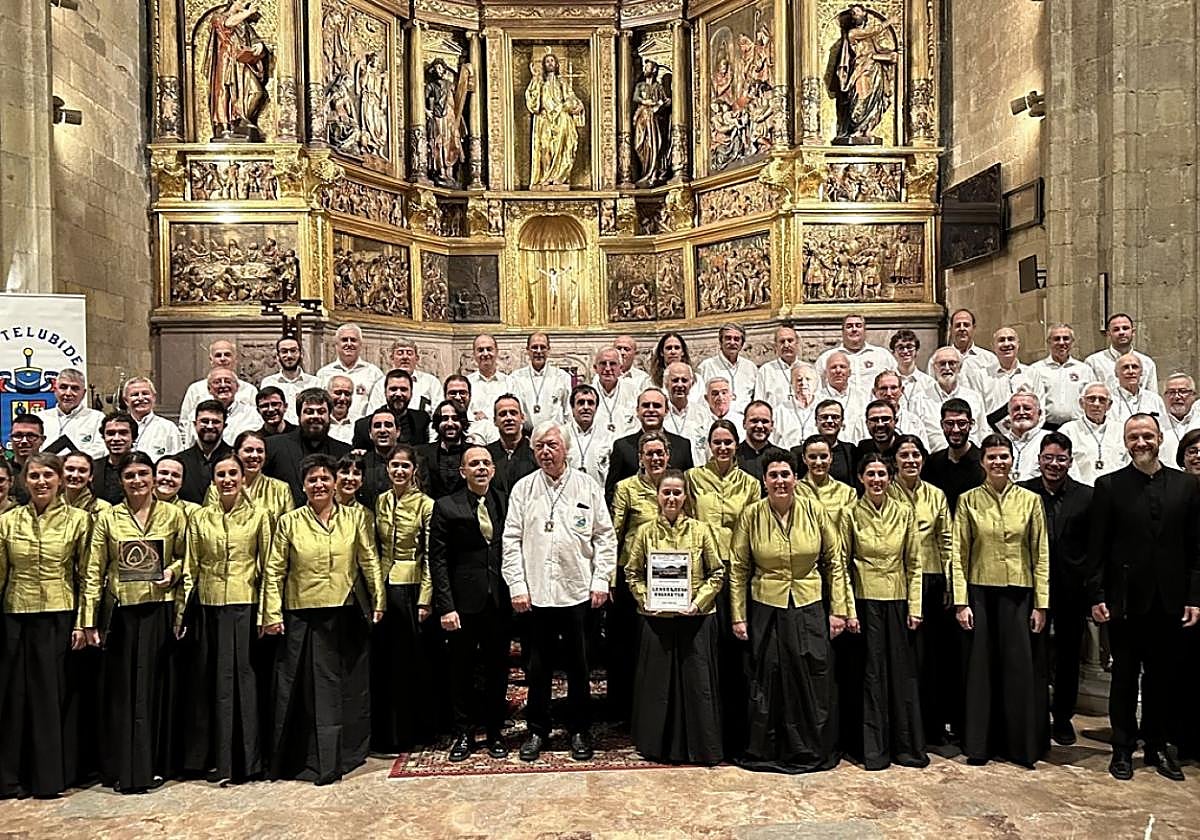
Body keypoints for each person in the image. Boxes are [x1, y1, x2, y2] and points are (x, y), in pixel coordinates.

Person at [1088, 414, 1200, 782]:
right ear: (1125, 442)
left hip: (1169, 601)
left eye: (1147, 436)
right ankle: (1122, 749)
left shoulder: (1187, 486)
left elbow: (1195, 549)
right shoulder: (1108, 486)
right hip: (1124, 602)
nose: (1141, 442)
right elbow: (1097, 549)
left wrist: (1193, 598)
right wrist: (1099, 594)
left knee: (1162, 679)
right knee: (1123, 677)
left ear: (1160, 438)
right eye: (1134, 437)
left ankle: (1156, 746)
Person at [261, 454, 385, 785]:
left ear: (334, 483)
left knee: (342, 689)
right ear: (303, 486)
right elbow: (274, 570)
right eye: (312, 480)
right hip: (301, 614)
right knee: (302, 692)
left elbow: (368, 559)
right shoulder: (289, 522)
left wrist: (378, 601)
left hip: (344, 613)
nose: (319, 484)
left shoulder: (354, 518)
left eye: (324, 479)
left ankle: (342, 756)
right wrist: (271, 613)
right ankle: (304, 760)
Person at [730, 451, 853, 773]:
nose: (780, 481)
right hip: (765, 606)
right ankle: (767, 749)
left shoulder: (815, 510)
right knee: (767, 677)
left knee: (812, 677)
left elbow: (834, 561)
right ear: (764, 480)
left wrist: (838, 608)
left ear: (796, 478)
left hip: (809, 603)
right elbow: (739, 568)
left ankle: (809, 749)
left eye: (786, 474)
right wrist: (738, 615)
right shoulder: (752, 515)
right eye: (773, 475)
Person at [501, 422, 617, 762]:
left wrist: (601, 581)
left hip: (578, 591)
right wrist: (517, 586)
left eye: (551, 445)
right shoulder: (523, 489)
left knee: (580, 666)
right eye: (539, 447)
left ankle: (579, 729)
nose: (545, 452)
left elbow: (605, 538)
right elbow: (510, 541)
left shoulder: (587, 486)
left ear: (565, 448)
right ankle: (538, 730)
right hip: (535, 595)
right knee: (538, 668)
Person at [81, 451, 189, 793]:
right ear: (121, 481)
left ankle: (155, 764)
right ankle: (122, 765)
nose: (138, 480)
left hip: (159, 609)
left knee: (154, 689)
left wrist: (172, 572)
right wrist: (88, 620)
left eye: (144, 473)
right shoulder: (109, 518)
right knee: (123, 692)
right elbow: (94, 569)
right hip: (122, 614)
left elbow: (190, 557)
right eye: (130, 475)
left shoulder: (174, 515)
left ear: (154, 477)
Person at [952, 433, 1049, 768]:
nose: (998, 462)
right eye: (991, 457)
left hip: (1019, 594)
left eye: (1003, 456)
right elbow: (958, 553)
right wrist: (961, 602)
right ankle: (980, 745)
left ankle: (1020, 747)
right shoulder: (968, 501)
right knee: (981, 671)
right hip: (980, 592)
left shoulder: (1030, 500)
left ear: (1012, 460)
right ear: (982, 462)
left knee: (1019, 671)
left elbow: (1041, 554)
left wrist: (1041, 603)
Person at [0, 453, 91, 798]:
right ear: (24, 481)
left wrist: (84, 622)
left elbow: (86, 575)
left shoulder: (79, 520)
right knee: (13, 698)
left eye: (47, 476)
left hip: (58, 615)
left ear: (60, 480)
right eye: (34, 476)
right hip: (15, 615)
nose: (41, 482)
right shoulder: (8, 521)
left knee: (49, 698)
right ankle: (9, 777)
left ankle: (48, 778)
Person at [179, 453, 271, 785]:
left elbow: (268, 569)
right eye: (221, 474)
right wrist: (182, 615)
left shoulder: (260, 516)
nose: (228, 479)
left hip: (245, 607)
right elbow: (191, 567)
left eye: (234, 473)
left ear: (243, 477)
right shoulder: (200, 518)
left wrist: (267, 613)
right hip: (209, 608)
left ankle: (248, 761)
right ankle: (217, 760)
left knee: (244, 685)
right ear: (213, 480)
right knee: (213, 686)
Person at [625, 469, 726, 763]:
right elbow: (632, 573)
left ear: (685, 496)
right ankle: (657, 746)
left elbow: (717, 572)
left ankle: (700, 747)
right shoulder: (645, 532)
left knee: (698, 687)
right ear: (657, 496)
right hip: (657, 620)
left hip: (696, 618)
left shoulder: (701, 530)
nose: (671, 498)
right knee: (657, 687)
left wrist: (698, 602)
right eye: (666, 492)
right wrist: (646, 601)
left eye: (676, 493)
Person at [841, 453, 926, 770]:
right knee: (869, 677)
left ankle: (903, 747)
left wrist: (915, 606)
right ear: (861, 478)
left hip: (898, 603)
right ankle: (869, 749)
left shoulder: (905, 512)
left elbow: (914, 564)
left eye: (882, 474)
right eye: (870, 474)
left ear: (890, 478)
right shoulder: (850, 513)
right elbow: (842, 565)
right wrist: (848, 609)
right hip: (863, 604)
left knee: (900, 677)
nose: (876, 480)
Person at [430, 446, 510, 761]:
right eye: (473, 463)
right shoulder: (446, 506)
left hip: (499, 600)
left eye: (485, 463)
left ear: (493, 469)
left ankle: (494, 732)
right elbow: (437, 560)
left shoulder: (505, 502)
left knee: (497, 669)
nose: (480, 468)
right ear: (462, 471)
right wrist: (446, 606)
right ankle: (463, 733)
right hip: (462, 605)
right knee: (461, 670)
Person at [687, 420, 762, 752]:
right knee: (706, 649)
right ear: (709, 445)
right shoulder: (693, 479)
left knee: (738, 649)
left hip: (737, 570)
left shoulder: (749, 483)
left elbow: (752, 529)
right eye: (717, 442)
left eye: (728, 442)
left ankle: (737, 726)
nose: (722, 448)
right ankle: (706, 724)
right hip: (703, 571)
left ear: (736, 445)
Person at [1018, 433, 1092, 747]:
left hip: (1070, 589)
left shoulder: (1087, 496)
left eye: (1061, 458)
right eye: (1048, 457)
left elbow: (1093, 546)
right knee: (1031, 653)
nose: (1054, 464)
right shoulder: (1022, 492)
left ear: (1070, 461)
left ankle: (1062, 718)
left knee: (1068, 656)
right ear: (1039, 459)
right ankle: (1031, 716)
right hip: (1029, 587)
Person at [889, 435, 959, 755]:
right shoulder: (884, 491)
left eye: (915, 454)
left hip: (930, 582)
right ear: (895, 461)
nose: (911, 460)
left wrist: (949, 583)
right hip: (897, 582)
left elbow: (947, 541)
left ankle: (931, 725)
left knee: (931, 659)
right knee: (905, 657)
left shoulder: (936, 495)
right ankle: (902, 725)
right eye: (904, 455)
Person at [372, 444, 437, 755]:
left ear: (415, 471)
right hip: (386, 587)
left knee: (412, 663)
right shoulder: (381, 501)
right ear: (387, 469)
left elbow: (429, 556)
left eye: (405, 467)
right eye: (394, 466)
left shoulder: (426, 505)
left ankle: (415, 731)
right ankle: (388, 733)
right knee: (387, 664)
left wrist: (425, 598)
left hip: (412, 590)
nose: (399, 471)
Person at [609, 431, 673, 723]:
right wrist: (609, 578)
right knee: (629, 646)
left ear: (668, 456)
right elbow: (614, 534)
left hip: (670, 577)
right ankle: (627, 711)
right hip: (632, 575)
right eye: (649, 454)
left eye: (660, 453)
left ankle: (662, 708)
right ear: (640, 458)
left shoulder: (677, 486)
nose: (655, 458)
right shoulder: (626, 488)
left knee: (662, 646)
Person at [264, 388, 351, 506]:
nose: (315, 416)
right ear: (299, 415)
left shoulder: (344, 451)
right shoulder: (273, 446)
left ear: (329, 415)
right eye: (309, 411)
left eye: (321, 411)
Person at [606, 388, 693, 502]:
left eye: (657, 406)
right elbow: (612, 492)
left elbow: (689, 489)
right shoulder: (622, 447)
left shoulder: (682, 445)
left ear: (666, 411)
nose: (651, 410)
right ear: (637, 411)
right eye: (646, 405)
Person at [205, 430, 292, 523]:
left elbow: (288, 528)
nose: (255, 455)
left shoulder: (281, 489)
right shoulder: (216, 488)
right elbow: (209, 523)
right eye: (248, 450)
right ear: (235, 453)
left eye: (260, 451)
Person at [177, 341, 257, 436]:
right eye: (218, 355)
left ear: (235, 359)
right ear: (211, 360)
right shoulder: (195, 389)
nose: (223, 359)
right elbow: (185, 424)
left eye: (227, 354)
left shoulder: (250, 390)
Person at [921, 398, 984, 513]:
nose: (955, 430)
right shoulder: (931, 463)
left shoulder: (984, 463)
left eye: (962, 424)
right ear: (942, 425)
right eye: (949, 423)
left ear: (971, 424)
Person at [1057, 383, 1126, 485]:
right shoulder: (1068, 430)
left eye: (1102, 400)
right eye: (1091, 399)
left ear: (1109, 405)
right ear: (1082, 403)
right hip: (1080, 491)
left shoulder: (1121, 430)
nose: (1096, 404)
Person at [316, 323, 385, 422]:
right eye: (344, 340)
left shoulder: (374, 373)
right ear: (336, 345)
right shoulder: (323, 373)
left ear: (360, 345)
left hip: (362, 432)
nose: (349, 344)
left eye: (353, 340)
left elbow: (379, 406)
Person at [351, 369, 431, 452]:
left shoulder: (422, 420)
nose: (398, 394)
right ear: (385, 392)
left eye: (403, 389)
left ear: (411, 393)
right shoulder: (363, 426)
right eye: (393, 389)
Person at [35, 368, 105, 458]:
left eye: (75, 388)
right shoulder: (40, 418)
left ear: (83, 393)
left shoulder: (97, 418)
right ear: (55, 390)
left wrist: (65, 461)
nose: (68, 393)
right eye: (63, 387)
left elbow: (100, 450)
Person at [814, 313, 893, 394]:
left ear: (865, 330)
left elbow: (897, 383)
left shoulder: (882, 355)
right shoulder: (827, 357)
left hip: (876, 405)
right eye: (849, 326)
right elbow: (816, 388)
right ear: (842, 331)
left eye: (858, 326)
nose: (854, 329)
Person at [365, 338, 444, 417]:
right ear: (392, 358)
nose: (405, 357)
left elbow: (438, 414)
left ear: (417, 358)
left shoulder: (431, 382)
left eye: (409, 353)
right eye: (400, 353)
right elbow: (372, 415)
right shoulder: (380, 384)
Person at [175, 399, 233, 504]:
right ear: (194, 424)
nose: (210, 426)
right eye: (204, 421)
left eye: (216, 422)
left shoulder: (235, 458)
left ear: (224, 426)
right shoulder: (180, 461)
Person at [1085, 312, 1159, 394]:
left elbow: (1153, 396)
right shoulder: (1094, 362)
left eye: (1125, 328)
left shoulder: (1147, 363)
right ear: (1109, 334)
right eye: (1116, 329)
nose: (1121, 332)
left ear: (1133, 332)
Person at [1030, 324, 1089, 427]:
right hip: (1046, 426)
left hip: (1077, 427)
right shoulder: (1036, 370)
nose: (1062, 343)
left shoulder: (1084, 370)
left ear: (1072, 342)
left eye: (1066, 338)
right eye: (1057, 339)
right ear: (1048, 342)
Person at [980, 327, 1048, 415]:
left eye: (1011, 339)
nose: (1007, 343)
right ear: (993, 346)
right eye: (1001, 340)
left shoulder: (1032, 374)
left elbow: (1040, 409)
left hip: (1028, 427)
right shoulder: (982, 376)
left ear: (1018, 344)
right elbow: (978, 412)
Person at [696, 323, 758, 415]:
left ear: (742, 344)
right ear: (721, 342)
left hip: (744, 420)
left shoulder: (750, 367)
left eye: (736, 339)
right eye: (728, 338)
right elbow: (699, 400)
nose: (732, 342)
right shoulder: (706, 367)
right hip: (716, 421)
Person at [927, 347, 987, 442]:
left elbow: (983, 433)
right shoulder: (919, 400)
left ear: (960, 367)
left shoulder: (974, 398)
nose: (947, 368)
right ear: (934, 367)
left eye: (952, 363)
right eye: (942, 364)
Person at [510, 332, 573, 423]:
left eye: (543, 347)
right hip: (526, 433)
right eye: (534, 347)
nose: (539, 351)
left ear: (548, 350)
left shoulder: (562, 377)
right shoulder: (515, 378)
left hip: (554, 433)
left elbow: (568, 411)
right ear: (528, 350)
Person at [931, 308, 998, 392]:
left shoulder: (989, 359)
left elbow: (995, 390)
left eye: (966, 325)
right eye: (958, 325)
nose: (962, 329)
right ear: (951, 329)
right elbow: (931, 386)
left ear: (973, 328)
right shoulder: (937, 358)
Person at [260, 335, 321, 423]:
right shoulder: (268, 382)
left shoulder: (315, 383)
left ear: (301, 354)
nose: (289, 355)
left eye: (293, 351)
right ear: (277, 356)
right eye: (284, 351)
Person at [992, 389, 1050, 482]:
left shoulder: (1051, 440)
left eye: (1027, 408)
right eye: (1016, 409)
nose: (1021, 412)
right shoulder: (998, 442)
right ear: (1009, 414)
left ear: (1039, 413)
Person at [793, 401, 856, 485]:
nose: (830, 421)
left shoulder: (851, 451)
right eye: (824, 417)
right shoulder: (797, 453)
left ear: (842, 422)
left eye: (835, 417)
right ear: (816, 421)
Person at [417, 399, 470, 499]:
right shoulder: (422, 453)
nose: (450, 423)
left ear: (463, 422)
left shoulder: (473, 452)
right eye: (445, 419)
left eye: (455, 418)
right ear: (437, 423)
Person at [685, 376, 744, 465]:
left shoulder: (741, 422)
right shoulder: (697, 421)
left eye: (724, 393)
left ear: (731, 396)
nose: (720, 397)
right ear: (706, 398)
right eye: (715, 393)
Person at [486, 395, 537, 495]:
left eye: (513, 413)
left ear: (522, 418)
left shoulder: (535, 453)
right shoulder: (486, 455)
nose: (508, 418)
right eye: (503, 414)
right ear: (495, 421)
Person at [564, 384, 612, 487]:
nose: (586, 407)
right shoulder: (561, 435)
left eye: (590, 403)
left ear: (596, 408)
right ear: (572, 408)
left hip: (598, 495)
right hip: (568, 495)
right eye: (581, 403)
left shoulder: (608, 437)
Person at [122, 377, 182, 460]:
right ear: (126, 400)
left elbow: (178, 460)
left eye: (145, 393)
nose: (141, 398)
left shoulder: (168, 428)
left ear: (154, 397)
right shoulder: (120, 427)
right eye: (135, 395)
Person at [466, 334, 510, 445]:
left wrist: (489, 417)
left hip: (502, 438)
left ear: (496, 352)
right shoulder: (466, 383)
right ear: (474, 354)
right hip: (473, 439)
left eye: (489, 349)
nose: (485, 354)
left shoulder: (509, 382)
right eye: (480, 350)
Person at [737, 401, 787, 487]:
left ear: (772, 425)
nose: (760, 426)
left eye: (765, 421)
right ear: (744, 423)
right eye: (754, 421)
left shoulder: (783, 457)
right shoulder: (733, 457)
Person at [591, 346, 638, 438]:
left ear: (620, 368)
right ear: (595, 368)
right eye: (603, 363)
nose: (608, 368)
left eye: (612, 364)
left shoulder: (633, 391)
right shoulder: (588, 394)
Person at [91, 413, 139, 504]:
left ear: (133, 437)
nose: (116, 438)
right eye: (110, 433)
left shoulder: (144, 468)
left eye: (123, 433)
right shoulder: (93, 467)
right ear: (104, 437)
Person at [1108, 353, 1167, 424]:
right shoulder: (1109, 400)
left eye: (1134, 367)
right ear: (1116, 373)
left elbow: (1163, 426)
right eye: (1126, 367)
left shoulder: (1155, 400)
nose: (1131, 371)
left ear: (1141, 372)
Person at [773, 364, 820, 449]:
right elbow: (773, 440)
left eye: (808, 379)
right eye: (799, 380)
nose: (803, 383)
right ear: (791, 384)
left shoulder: (823, 408)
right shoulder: (781, 410)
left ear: (816, 383)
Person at [1160, 373, 1200, 468]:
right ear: (1164, 397)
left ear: (1194, 395)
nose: (1177, 397)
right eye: (1171, 392)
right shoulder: (1157, 425)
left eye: (1183, 391)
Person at [753, 325, 801, 405]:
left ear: (797, 343)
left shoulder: (808, 369)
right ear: (776, 346)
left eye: (790, 340)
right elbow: (759, 402)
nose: (786, 345)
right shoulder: (766, 370)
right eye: (782, 341)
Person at [7, 414, 46, 504]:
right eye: (18, 436)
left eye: (31, 436)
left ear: (42, 440)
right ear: (10, 439)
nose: (24, 441)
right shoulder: (3, 471)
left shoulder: (53, 471)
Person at [63, 450, 112, 515]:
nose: (75, 475)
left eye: (82, 471)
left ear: (90, 476)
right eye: (70, 469)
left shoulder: (102, 508)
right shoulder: (50, 503)